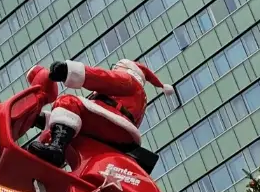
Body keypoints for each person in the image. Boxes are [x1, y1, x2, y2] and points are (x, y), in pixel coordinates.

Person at [28, 59, 173, 167]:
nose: (114, 69)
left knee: (68, 101)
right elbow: (74, 117)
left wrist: (69, 70)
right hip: (110, 127)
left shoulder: (130, 82)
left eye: (117, 67)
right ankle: (43, 156)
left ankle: (55, 150)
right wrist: (43, 119)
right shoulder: (124, 95)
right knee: (67, 115)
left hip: (115, 124)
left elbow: (104, 78)